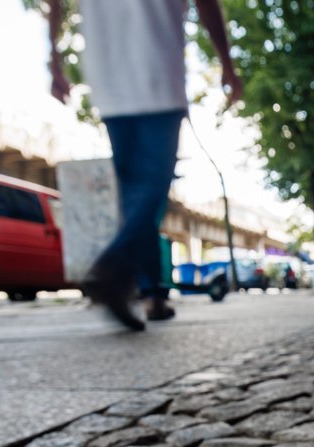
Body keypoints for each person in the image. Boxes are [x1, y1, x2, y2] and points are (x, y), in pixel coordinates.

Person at [47, 0, 242, 330]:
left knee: (135, 196)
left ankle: (151, 294)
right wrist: (226, 62)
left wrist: (54, 58)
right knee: (152, 188)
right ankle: (113, 267)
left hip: (107, 74)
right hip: (156, 69)